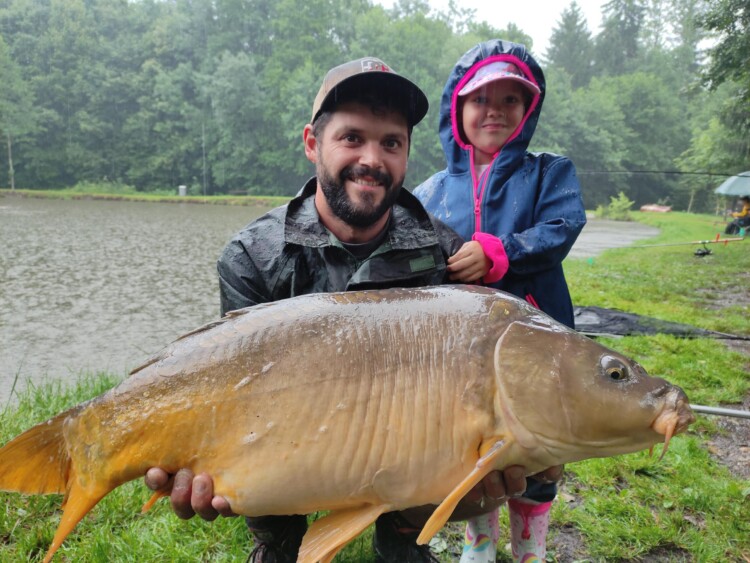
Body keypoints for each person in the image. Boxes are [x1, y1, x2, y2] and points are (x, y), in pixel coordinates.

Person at [144, 56, 563, 563]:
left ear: (406, 154)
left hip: (400, 434)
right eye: (352, 138)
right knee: (256, 453)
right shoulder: (251, 256)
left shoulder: (443, 252)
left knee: (462, 463)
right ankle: (279, 542)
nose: (372, 159)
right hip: (285, 430)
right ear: (312, 143)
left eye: (391, 143)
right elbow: (233, 389)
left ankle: (403, 537)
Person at [413, 40, 587, 563]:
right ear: (456, 108)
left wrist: (499, 253)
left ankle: (530, 547)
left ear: (528, 109)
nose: (495, 110)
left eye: (511, 99)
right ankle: (480, 542)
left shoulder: (550, 172)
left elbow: (562, 228)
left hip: (539, 340)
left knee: (541, 447)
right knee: (477, 446)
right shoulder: (429, 192)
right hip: (460, 353)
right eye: (480, 99)